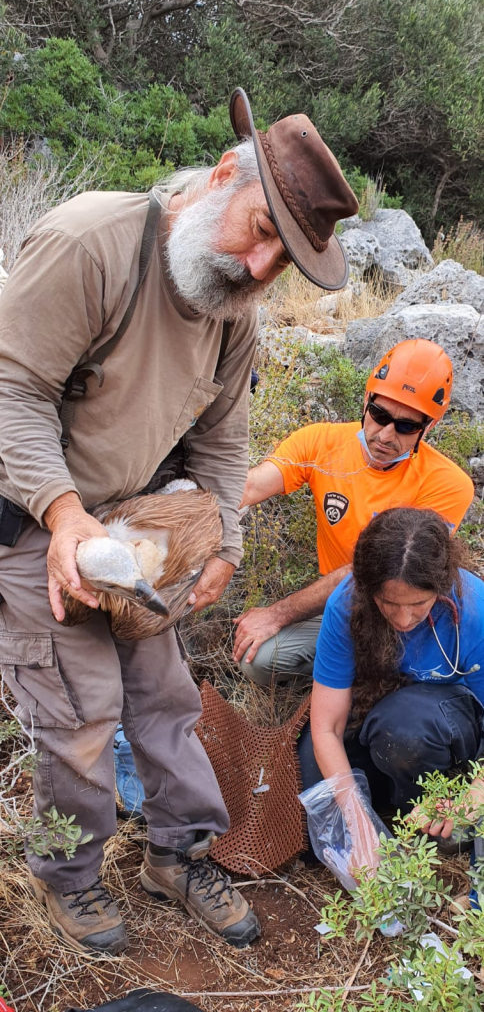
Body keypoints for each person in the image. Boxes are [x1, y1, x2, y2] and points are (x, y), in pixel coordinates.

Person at [0, 87, 359, 955]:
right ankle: (65, 879)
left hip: (135, 532)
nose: (262, 266)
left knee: (166, 702)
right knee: (79, 720)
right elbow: (10, 390)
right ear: (224, 173)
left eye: (287, 256)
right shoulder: (95, 244)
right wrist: (64, 515)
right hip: (32, 519)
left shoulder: (233, 306)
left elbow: (224, 440)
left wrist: (228, 544)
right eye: (262, 230)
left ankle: (178, 854)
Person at [233, 338, 475, 683]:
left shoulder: (447, 483)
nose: (386, 434)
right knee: (260, 661)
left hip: (406, 605)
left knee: (399, 672)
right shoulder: (321, 442)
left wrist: (279, 613)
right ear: (366, 401)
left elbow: (375, 571)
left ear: (428, 428)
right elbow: (249, 486)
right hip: (345, 602)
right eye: (379, 415)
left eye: (406, 426)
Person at [303, 506, 484, 874]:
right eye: (388, 603)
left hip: (451, 718)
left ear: (442, 585)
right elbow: (327, 726)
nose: (402, 619)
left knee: (403, 727)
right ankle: (387, 819)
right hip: (384, 707)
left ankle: (436, 815)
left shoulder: (475, 610)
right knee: (313, 780)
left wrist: (477, 790)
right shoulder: (347, 603)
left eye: (419, 603)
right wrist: (354, 818)